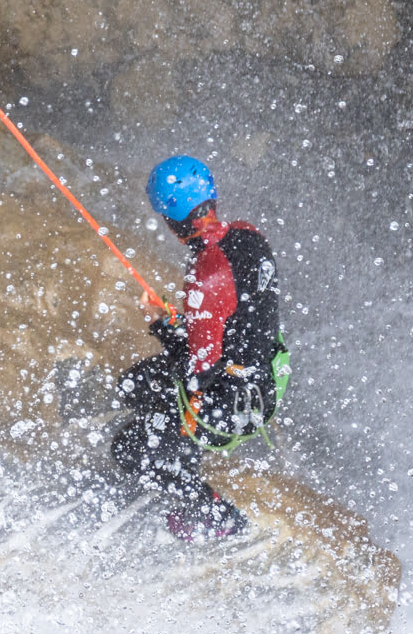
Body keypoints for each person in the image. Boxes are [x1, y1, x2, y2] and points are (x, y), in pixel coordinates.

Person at [112, 155, 288, 542]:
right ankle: (177, 443)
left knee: (127, 449)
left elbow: (195, 376)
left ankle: (216, 515)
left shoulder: (205, 274)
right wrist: (186, 323)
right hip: (262, 380)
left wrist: (161, 324)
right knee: (135, 383)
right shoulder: (248, 235)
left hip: (228, 405)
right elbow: (237, 317)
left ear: (171, 222)